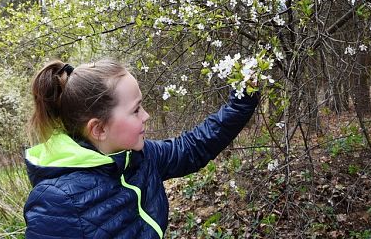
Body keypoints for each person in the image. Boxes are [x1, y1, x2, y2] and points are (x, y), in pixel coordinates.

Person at [24, 59, 259, 239]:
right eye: (136, 110)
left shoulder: (138, 157)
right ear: (99, 129)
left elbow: (193, 147)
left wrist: (242, 101)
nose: (146, 116)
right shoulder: (56, 203)